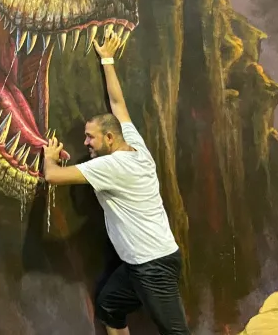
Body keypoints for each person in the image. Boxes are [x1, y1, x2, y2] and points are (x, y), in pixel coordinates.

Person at [40, 26, 190, 335]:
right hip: (141, 263)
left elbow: (53, 176)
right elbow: (118, 105)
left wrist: (49, 155)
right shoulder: (133, 145)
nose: (86, 143)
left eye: (90, 137)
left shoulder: (112, 166)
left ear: (109, 138)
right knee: (110, 306)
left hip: (153, 265)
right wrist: (107, 60)